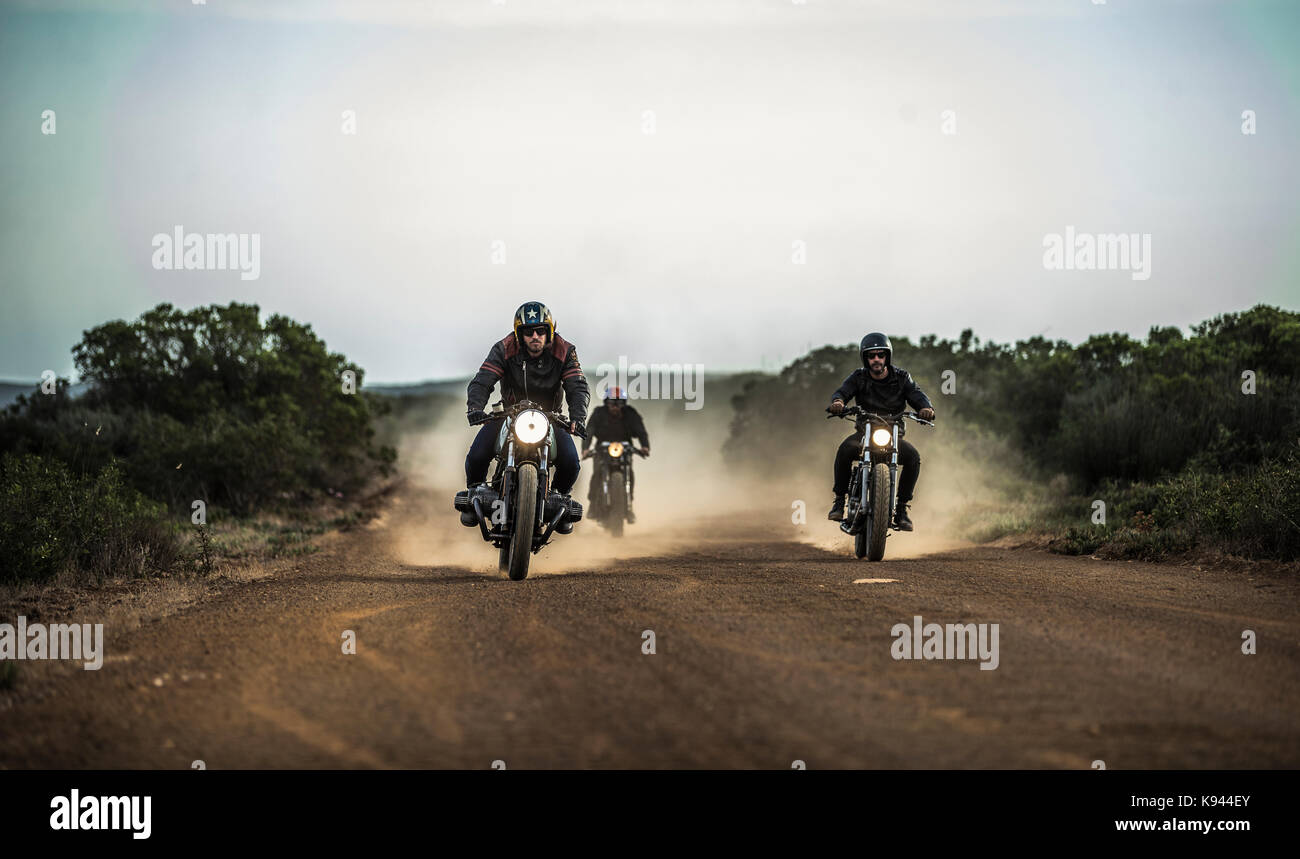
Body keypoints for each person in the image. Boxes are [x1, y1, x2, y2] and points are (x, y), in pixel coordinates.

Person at [464, 302, 589, 533]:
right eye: (528, 332)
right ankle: (473, 498)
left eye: (541, 331)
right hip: (509, 413)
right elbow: (483, 380)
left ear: (549, 332)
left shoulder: (565, 350)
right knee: (477, 454)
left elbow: (577, 387)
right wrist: (475, 407)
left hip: (550, 418)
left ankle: (558, 502)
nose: (535, 336)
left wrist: (577, 418)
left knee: (571, 462)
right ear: (518, 334)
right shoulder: (504, 348)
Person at [827, 332, 935, 530]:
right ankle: (839, 501)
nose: (876, 359)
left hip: (893, 434)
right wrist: (838, 402)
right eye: (871, 355)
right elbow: (842, 391)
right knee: (844, 450)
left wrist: (925, 408)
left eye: (880, 355)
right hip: (864, 434)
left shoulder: (902, 378)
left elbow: (917, 394)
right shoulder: (858, 377)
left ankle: (901, 509)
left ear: (887, 356)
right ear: (865, 358)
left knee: (913, 458)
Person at [581, 386, 651, 523]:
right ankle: (592, 506)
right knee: (596, 475)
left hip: (625, 450)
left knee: (629, 473)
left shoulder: (631, 414)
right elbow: (589, 430)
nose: (615, 406)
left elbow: (641, 430)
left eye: (619, 403)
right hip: (602, 450)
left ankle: (629, 507)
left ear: (623, 404)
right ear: (606, 403)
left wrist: (645, 446)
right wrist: (585, 449)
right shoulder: (598, 413)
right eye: (612, 403)